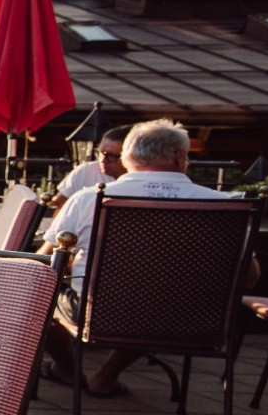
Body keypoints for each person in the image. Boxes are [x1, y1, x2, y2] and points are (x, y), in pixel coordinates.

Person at [40, 118, 236, 398]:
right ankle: (106, 377)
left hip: (100, 313)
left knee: (39, 302)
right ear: (181, 157)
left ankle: (69, 370)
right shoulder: (224, 205)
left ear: (128, 157)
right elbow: (249, 277)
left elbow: (44, 265)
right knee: (154, 298)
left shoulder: (89, 199)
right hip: (191, 319)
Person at [51, 124, 127, 207]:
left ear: (129, 157)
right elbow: (57, 204)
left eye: (111, 156)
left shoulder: (139, 182)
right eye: (100, 153)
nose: (102, 160)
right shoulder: (86, 171)